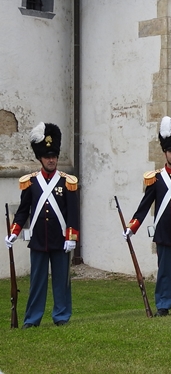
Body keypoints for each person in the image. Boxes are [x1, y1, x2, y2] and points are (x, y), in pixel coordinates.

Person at [123, 116, 171, 316]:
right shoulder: (155, 179)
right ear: (165, 152)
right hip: (164, 233)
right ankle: (163, 305)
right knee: (164, 273)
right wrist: (132, 226)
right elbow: (144, 206)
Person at [4, 122, 79, 328]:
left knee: (61, 282)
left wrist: (71, 238)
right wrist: (14, 232)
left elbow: (72, 214)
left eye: (54, 156)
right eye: (47, 157)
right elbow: (23, 211)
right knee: (37, 282)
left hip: (61, 240)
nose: (51, 160)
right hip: (38, 240)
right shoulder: (31, 182)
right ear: (40, 158)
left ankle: (61, 316)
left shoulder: (67, 182)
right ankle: (32, 319)